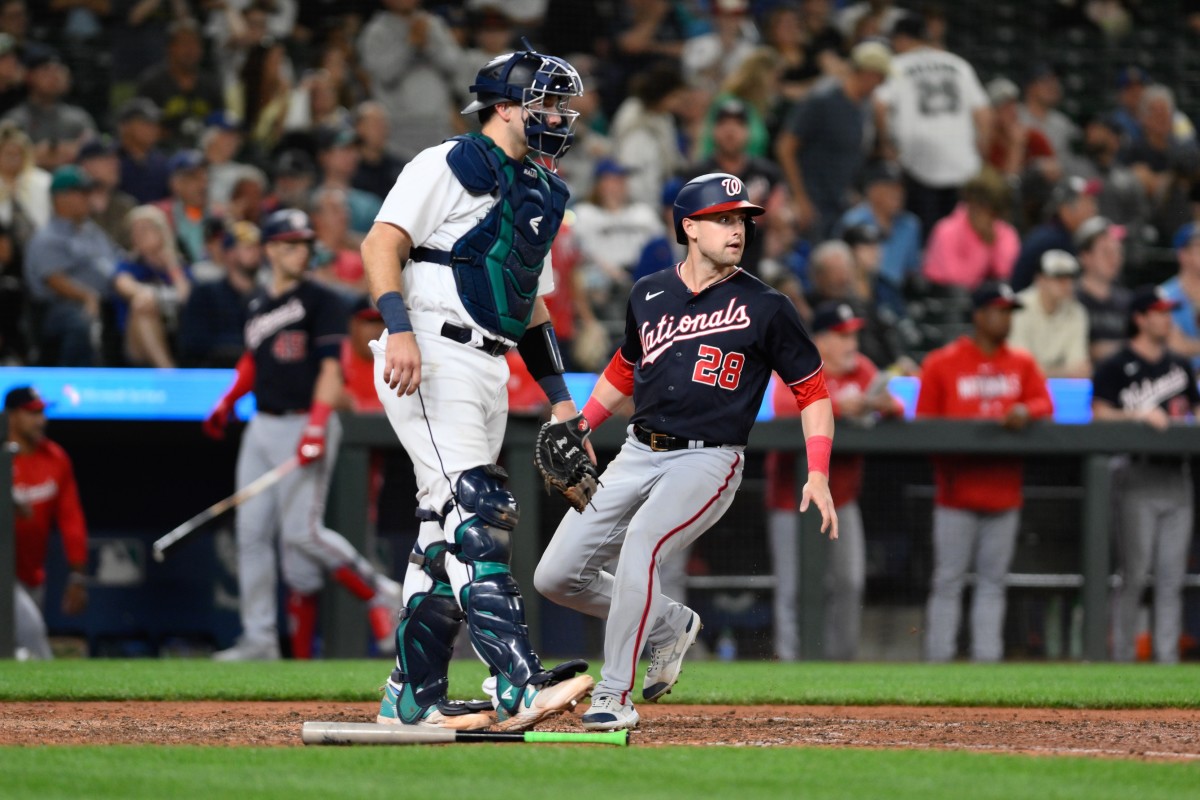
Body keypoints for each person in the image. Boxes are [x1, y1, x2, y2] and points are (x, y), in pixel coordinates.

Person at [534, 172, 838, 731]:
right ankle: (669, 624)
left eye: (742, 219)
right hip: (637, 450)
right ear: (689, 228)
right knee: (555, 576)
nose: (737, 229)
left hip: (709, 457)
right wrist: (583, 423)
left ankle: (613, 695)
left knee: (640, 549)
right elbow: (626, 366)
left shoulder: (766, 306)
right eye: (723, 218)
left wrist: (817, 472)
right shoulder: (648, 292)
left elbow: (813, 392)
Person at [361, 47, 595, 731]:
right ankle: (514, 678)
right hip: (428, 349)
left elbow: (530, 304)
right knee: (478, 508)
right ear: (503, 105)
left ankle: (411, 694)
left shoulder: (541, 189)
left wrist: (560, 399)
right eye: (544, 103)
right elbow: (381, 244)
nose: (556, 116)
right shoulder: (445, 163)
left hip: (488, 364)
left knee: (442, 533)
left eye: (561, 104)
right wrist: (396, 327)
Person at [201, 208, 402, 662]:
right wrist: (227, 400)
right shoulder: (257, 303)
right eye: (291, 244)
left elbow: (332, 369)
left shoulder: (322, 299)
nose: (300, 252)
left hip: (304, 422)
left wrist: (315, 425)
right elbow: (253, 361)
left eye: (305, 244)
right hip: (263, 424)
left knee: (301, 533)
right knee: (251, 534)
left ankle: (383, 593)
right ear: (271, 249)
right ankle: (260, 639)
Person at [916, 282, 1053, 662]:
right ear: (978, 315)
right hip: (956, 495)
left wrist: (1027, 410)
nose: (1006, 317)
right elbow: (922, 427)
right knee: (948, 582)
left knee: (993, 585)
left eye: (1010, 311)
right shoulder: (942, 363)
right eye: (998, 310)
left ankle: (986, 666)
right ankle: (938, 665)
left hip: (1004, 492)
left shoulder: (1022, 363)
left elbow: (1045, 402)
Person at [764, 301, 903, 661]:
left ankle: (840, 662)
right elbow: (782, 407)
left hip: (841, 498)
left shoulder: (861, 370)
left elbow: (899, 407)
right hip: (792, 499)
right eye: (842, 336)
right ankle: (790, 661)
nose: (851, 343)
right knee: (794, 589)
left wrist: (886, 406)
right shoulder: (800, 363)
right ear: (821, 340)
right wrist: (842, 408)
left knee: (848, 583)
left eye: (854, 334)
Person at [1092, 286, 1200, 664]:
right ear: (1139, 318)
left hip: (1177, 475)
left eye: (1168, 311)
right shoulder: (1116, 364)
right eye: (1157, 311)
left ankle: (1166, 659)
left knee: (1172, 578)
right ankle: (1122, 659)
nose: (1166, 317)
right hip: (1136, 472)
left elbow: (1196, 412)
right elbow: (1098, 414)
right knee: (1134, 574)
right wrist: (1136, 416)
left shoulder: (1180, 366)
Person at [875, 14, 991, 238]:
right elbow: (984, 114)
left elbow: (879, 105)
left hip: (920, 166)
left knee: (928, 238)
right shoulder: (957, 63)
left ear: (901, 40)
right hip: (964, 167)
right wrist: (980, 151)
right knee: (960, 235)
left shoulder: (896, 65)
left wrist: (886, 144)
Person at [775, 40, 891, 239]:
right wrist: (800, 198)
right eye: (880, 79)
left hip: (838, 203)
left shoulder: (865, 106)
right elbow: (785, 147)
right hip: (813, 202)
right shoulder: (822, 99)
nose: (880, 86)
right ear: (868, 74)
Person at [6, 385, 88, 660]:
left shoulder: (55, 458)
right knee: (35, 642)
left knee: (18, 654)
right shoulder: (3, 458)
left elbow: (71, 518)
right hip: (4, 571)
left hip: (32, 572)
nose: (41, 419)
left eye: (42, 412)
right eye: (33, 413)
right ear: (12, 416)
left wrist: (77, 574)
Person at [23, 165, 119, 366]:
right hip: (60, 307)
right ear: (61, 198)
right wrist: (87, 296)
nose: (88, 198)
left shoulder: (92, 231)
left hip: (107, 301)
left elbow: (117, 260)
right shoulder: (47, 237)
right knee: (79, 322)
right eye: (82, 192)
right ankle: (74, 383)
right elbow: (53, 279)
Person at [1009, 249, 1091, 378]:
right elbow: (1020, 367)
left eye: (1070, 278)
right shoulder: (1019, 307)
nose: (1067, 284)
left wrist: (1045, 372)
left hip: (1061, 389)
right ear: (1039, 280)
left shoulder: (1077, 312)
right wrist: (1065, 371)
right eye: (1058, 278)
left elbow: (1080, 369)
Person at [1074, 216, 1132, 364]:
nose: (1115, 258)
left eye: (1118, 251)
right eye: (1106, 252)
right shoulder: (1071, 299)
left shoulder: (1128, 301)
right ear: (1085, 257)